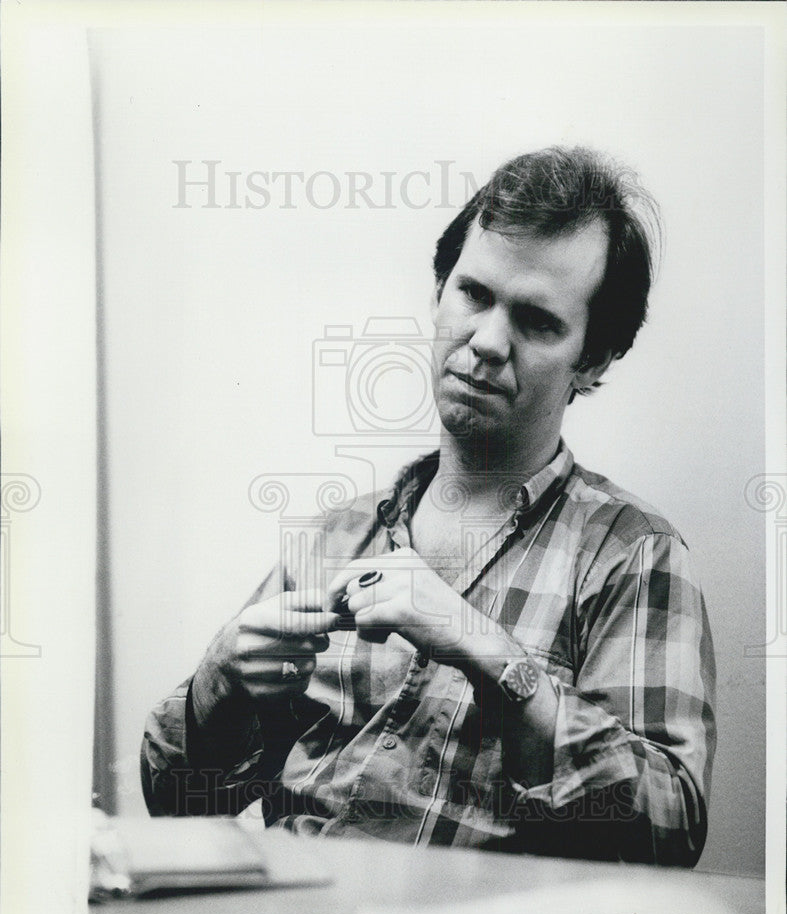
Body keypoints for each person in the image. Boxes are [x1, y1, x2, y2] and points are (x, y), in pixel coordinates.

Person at [141, 147, 716, 866]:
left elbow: (669, 830)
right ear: (440, 292)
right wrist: (217, 681)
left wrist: (486, 651)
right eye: (473, 294)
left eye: (537, 322)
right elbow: (178, 801)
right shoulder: (336, 537)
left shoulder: (631, 553)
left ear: (593, 360)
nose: (485, 343)